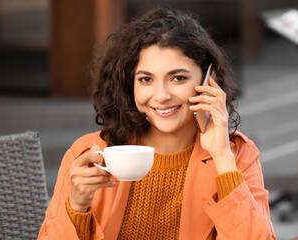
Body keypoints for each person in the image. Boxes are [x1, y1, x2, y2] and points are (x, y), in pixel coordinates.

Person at [38, 7, 276, 240]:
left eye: (178, 78)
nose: (161, 96)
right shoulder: (89, 155)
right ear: (129, 85)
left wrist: (222, 156)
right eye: (146, 79)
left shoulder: (237, 155)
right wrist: (77, 206)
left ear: (208, 81)